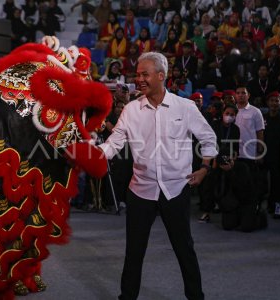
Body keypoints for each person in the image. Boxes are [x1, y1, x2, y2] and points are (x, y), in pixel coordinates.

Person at [99, 52, 217, 300]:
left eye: (145, 74)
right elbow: (114, 143)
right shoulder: (131, 110)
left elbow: (208, 138)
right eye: (137, 74)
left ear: (161, 76)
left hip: (176, 190)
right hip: (140, 191)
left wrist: (205, 168)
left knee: (184, 249)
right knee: (134, 251)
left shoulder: (185, 107)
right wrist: (92, 156)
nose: (139, 79)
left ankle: (196, 297)